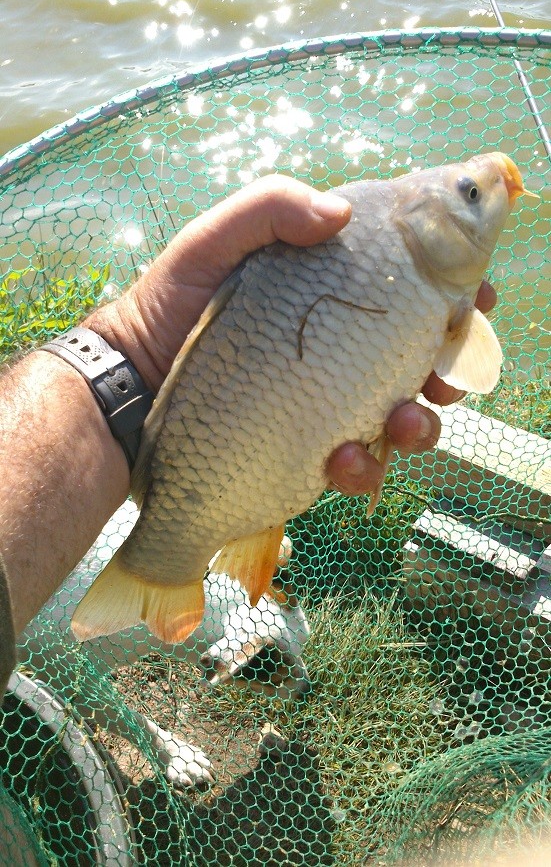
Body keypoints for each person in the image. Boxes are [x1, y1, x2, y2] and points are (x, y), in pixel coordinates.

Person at [0, 174, 495, 698]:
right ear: (425, 213)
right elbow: (479, 372)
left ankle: (207, 543)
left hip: (250, 434)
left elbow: (471, 370)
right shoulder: (378, 224)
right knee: (347, 448)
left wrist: (131, 352)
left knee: (347, 445)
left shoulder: (385, 226)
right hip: (235, 421)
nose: (487, 195)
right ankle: (167, 563)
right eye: (472, 194)